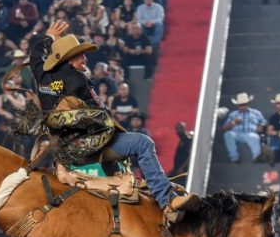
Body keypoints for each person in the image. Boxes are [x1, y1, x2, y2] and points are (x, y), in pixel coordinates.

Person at [31, 20, 199, 219]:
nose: (84, 58)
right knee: (142, 143)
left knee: (116, 157)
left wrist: (49, 36)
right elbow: (103, 115)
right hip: (87, 147)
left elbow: (35, 54)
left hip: (62, 150)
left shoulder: (42, 76)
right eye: (80, 55)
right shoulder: (78, 80)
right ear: (69, 60)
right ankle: (167, 201)